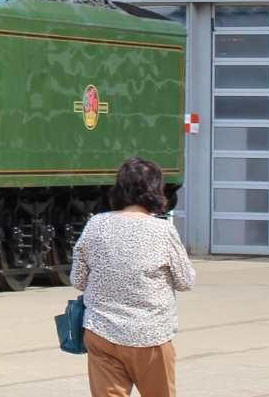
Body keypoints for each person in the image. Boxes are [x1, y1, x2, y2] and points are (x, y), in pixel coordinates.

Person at [69, 157, 195, 397]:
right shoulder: (162, 230)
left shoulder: (95, 225)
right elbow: (185, 281)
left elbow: (78, 280)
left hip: (101, 332)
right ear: (155, 190)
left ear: (119, 189)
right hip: (150, 335)